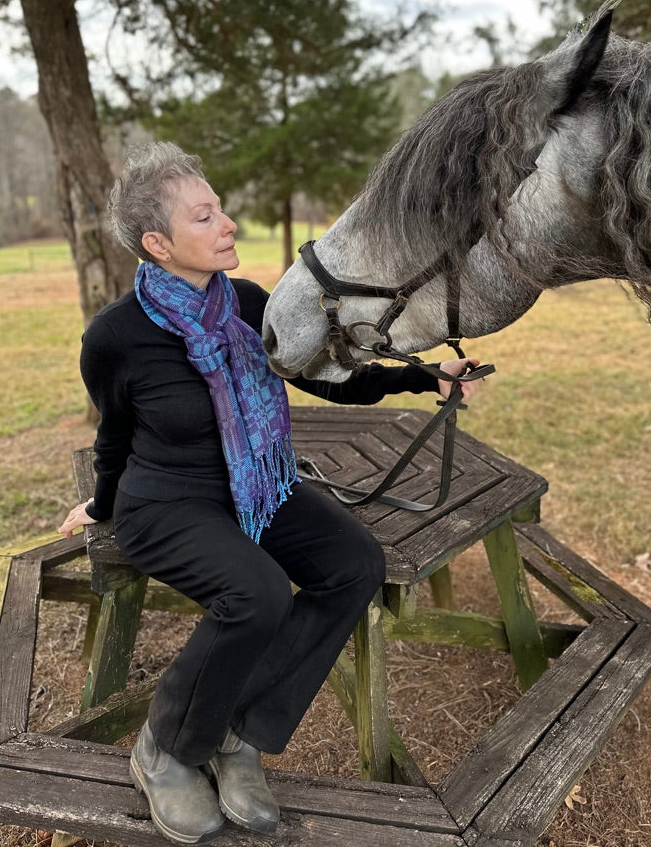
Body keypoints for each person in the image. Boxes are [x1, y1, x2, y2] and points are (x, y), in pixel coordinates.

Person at [58, 141, 481, 844]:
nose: (226, 222)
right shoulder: (114, 337)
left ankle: (240, 733)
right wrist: (102, 504)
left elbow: (323, 378)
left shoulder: (250, 304)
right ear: (158, 244)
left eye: (219, 207)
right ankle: (165, 748)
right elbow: (115, 436)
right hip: (166, 503)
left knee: (354, 565)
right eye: (204, 216)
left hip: (257, 486)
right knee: (254, 593)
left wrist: (423, 377)